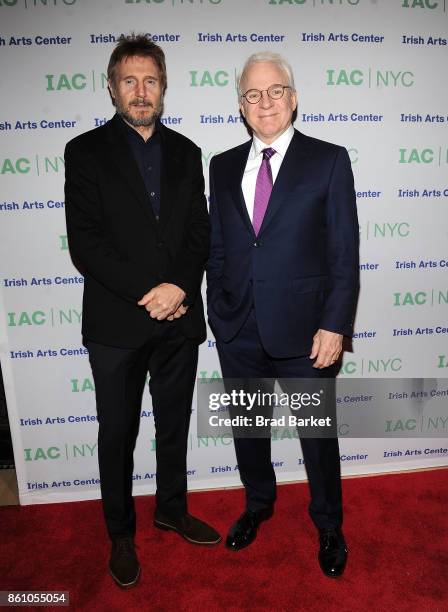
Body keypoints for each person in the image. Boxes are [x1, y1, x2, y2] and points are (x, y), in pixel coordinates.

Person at [64, 33, 220, 590]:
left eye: (150, 80)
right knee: (118, 432)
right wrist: (150, 291)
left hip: (178, 318)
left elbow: (200, 233)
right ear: (111, 87)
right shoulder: (84, 152)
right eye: (129, 80)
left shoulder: (187, 152)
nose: (140, 90)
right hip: (116, 324)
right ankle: (121, 533)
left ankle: (172, 509)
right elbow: (86, 243)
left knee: (174, 423)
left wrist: (178, 286)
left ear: (164, 86)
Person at [207, 51, 359, 578]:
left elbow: (343, 251)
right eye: (252, 94)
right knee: (249, 428)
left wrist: (336, 323)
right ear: (241, 106)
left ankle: (329, 524)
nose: (264, 102)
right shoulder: (221, 165)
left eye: (274, 91)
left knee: (316, 437)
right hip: (237, 327)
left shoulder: (329, 160)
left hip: (307, 332)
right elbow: (221, 247)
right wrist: (218, 312)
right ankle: (257, 504)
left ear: (293, 99)